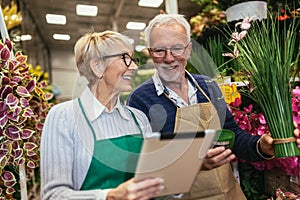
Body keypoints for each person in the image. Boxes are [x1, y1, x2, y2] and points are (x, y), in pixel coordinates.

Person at [128, 14, 300, 199]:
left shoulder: (207, 86)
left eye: (177, 48)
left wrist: (261, 146)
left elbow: (233, 136)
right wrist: (193, 163)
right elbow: (143, 166)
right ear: (150, 51)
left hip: (224, 193)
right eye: (160, 50)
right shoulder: (140, 100)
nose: (169, 58)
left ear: (188, 49)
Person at [40, 31, 165, 200]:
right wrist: (110, 196)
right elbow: (53, 195)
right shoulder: (63, 117)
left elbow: (152, 178)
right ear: (97, 66)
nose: (134, 67)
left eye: (133, 59)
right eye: (124, 58)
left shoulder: (138, 118)